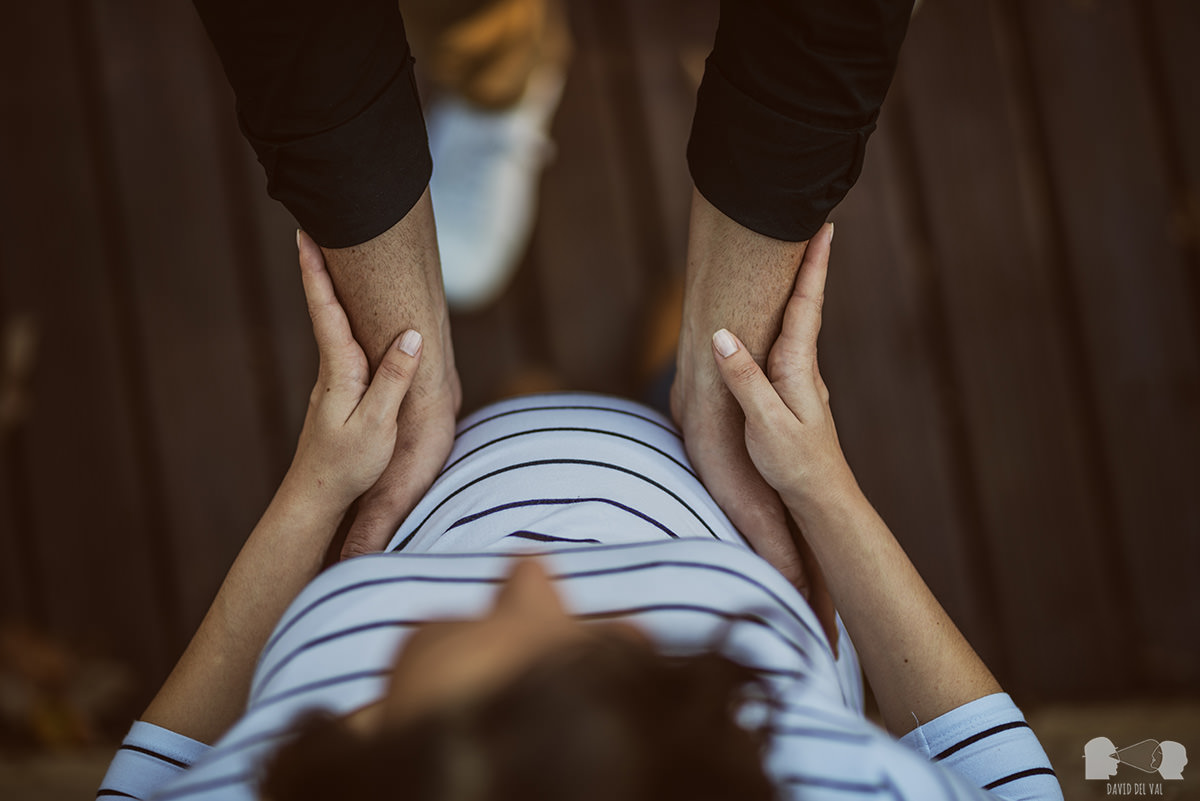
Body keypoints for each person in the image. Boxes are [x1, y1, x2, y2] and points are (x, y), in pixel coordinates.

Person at [97, 0, 1063, 798]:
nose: (530, 574)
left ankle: (539, 319)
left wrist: (320, 490)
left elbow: (156, 770)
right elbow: (997, 767)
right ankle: (654, 363)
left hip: (418, 476)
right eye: (599, 659)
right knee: (670, 344)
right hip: (713, 480)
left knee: (531, 388)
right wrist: (815, 486)